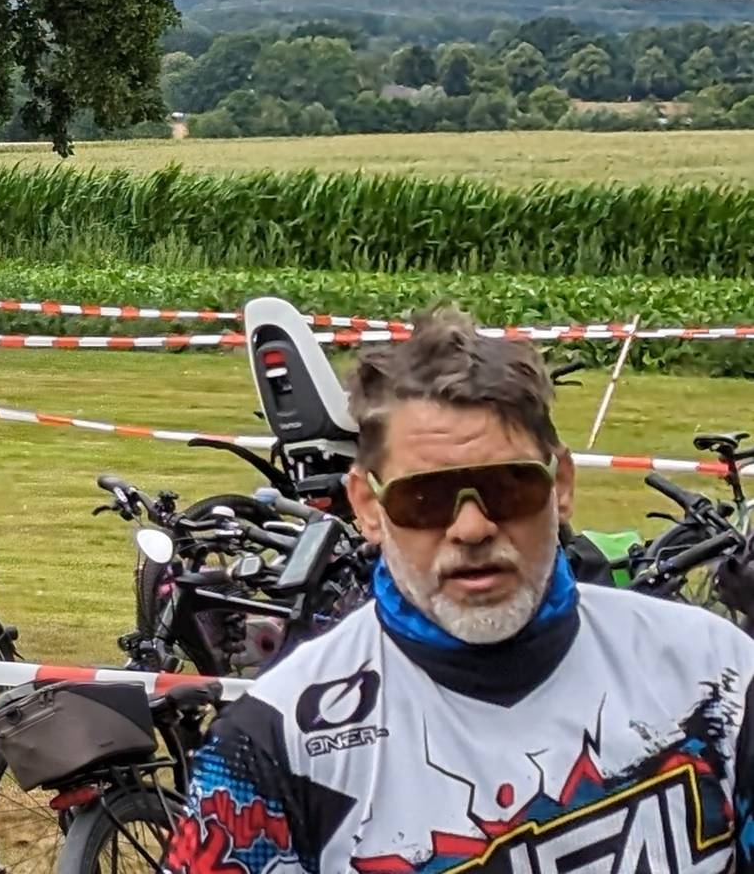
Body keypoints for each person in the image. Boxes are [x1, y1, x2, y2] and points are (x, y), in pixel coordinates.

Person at [163, 310, 754, 874]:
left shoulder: (716, 669)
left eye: (508, 488)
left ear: (561, 485)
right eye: (425, 499)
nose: (471, 529)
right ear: (367, 506)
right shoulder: (277, 738)